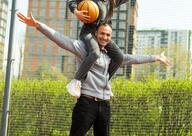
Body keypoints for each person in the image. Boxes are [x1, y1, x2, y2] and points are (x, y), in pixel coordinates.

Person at [16, 12, 169, 136]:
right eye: (102, 34)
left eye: (108, 35)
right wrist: (38, 25)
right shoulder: (85, 49)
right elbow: (62, 40)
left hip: (104, 104)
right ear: (96, 34)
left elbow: (132, 58)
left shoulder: (112, 56)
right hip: (86, 103)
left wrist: (155, 57)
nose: (105, 37)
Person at [68, 0, 148, 97]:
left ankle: (104, 80)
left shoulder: (111, 0)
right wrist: (76, 11)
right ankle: (76, 81)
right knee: (95, 53)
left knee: (119, 57)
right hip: (89, 33)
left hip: (102, 36)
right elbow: (72, 2)